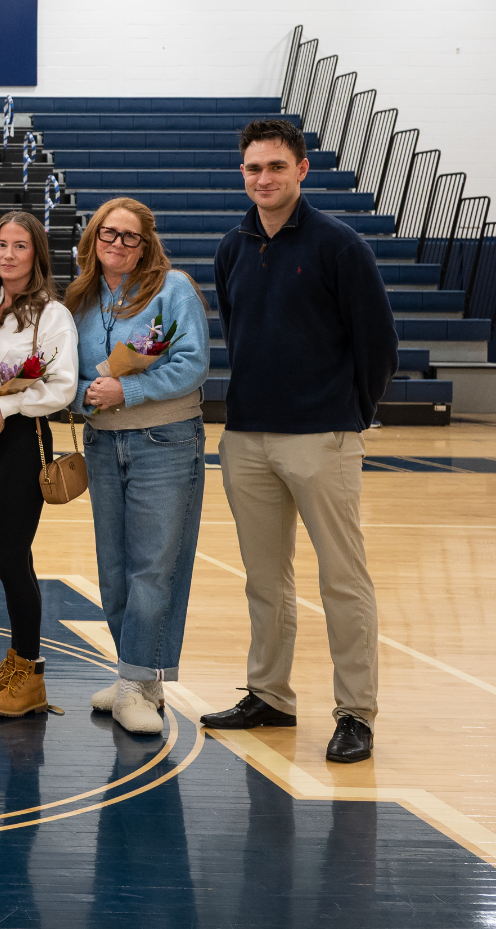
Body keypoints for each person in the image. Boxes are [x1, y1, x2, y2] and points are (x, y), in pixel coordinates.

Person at [203, 118, 397, 765]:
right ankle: (270, 695)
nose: (264, 179)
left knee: (342, 580)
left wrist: (352, 413)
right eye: (254, 168)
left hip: (323, 437)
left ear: (302, 169)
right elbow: (238, 333)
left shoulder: (341, 246)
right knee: (265, 579)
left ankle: (355, 712)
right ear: (243, 174)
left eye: (276, 167)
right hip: (248, 440)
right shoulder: (232, 247)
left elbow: (380, 344)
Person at [67, 197, 211, 736]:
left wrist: (129, 388)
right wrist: (87, 395)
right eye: (109, 235)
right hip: (104, 444)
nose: (118, 245)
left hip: (165, 439)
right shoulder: (82, 297)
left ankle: (134, 684)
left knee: (154, 567)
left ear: (146, 243)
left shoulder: (173, 288)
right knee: (114, 569)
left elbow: (193, 363)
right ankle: (138, 678)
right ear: (93, 240)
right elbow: (72, 375)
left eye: (130, 237)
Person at [0, 212, 78, 717]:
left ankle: (29, 674)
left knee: (10, 557)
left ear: (37, 255)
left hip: (23, 438)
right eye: (1, 245)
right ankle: (16, 668)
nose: (8, 254)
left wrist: (2, 406)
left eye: (21, 246)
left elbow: (62, 387)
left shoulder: (51, 314)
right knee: (10, 556)